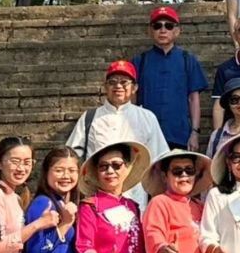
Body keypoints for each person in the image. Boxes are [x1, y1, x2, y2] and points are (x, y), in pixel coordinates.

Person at [67, 60, 170, 209]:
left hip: (135, 197)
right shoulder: (90, 118)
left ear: (134, 88)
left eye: (124, 82)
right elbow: (72, 156)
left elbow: (160, 159)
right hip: (96, 195)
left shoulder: (147, 118)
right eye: (113, 82)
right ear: (105, 87)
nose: (118, 86)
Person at [133, 5, 209, 151]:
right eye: (157, 26)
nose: (163, 30)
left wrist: (194, 133)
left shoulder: (188, 60)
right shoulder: (140, 62)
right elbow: (132, 100)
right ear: (149, 31)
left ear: (177, 31)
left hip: (179, 135)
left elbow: (194, 99)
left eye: (168, 26)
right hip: (147, 136)